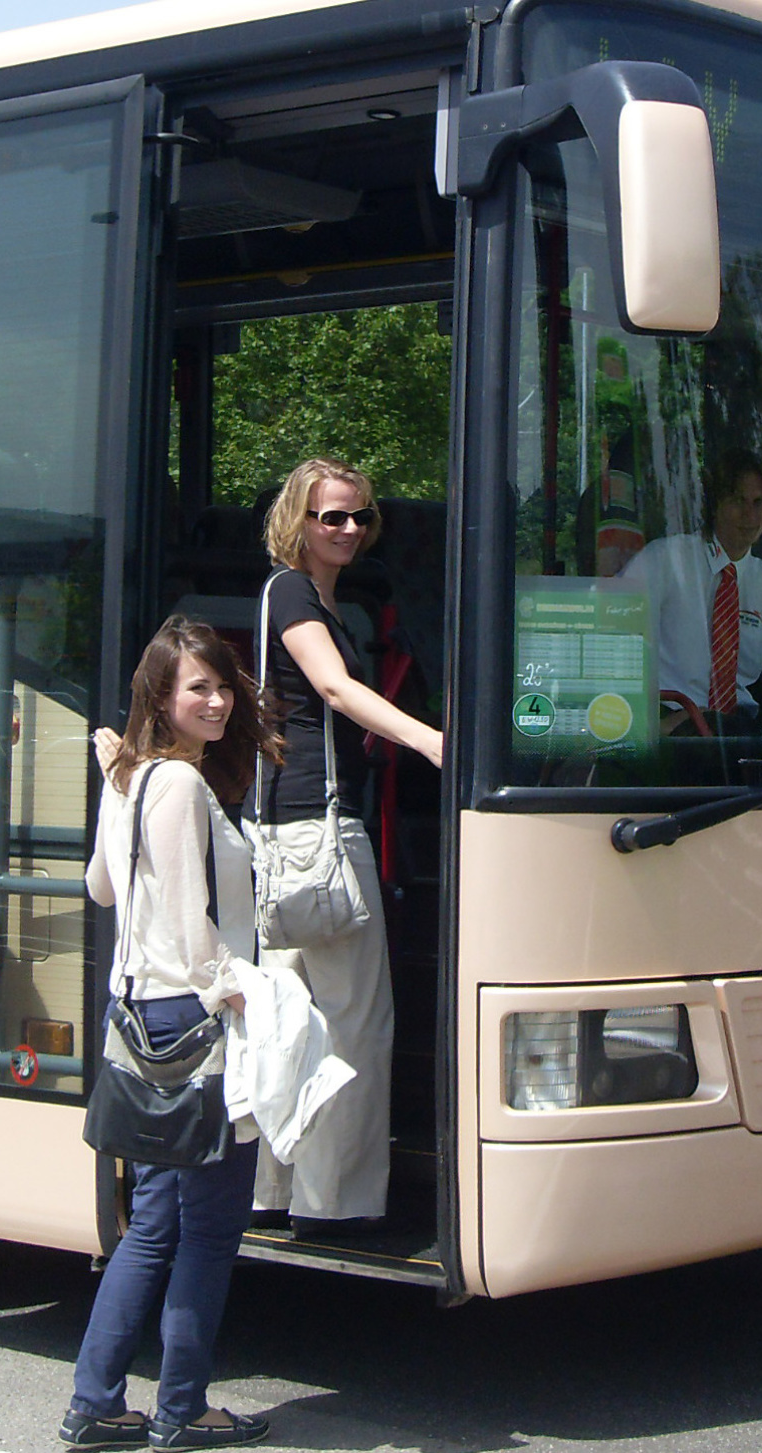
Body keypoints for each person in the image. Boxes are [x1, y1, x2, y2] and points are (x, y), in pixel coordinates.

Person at [65, 618, 280, 1451]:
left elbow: (100, 890)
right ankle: (181, 1409)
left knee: (153, 1219)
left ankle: (96, 1401)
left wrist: (111, 786)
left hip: (142, 1016)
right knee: (210, 1223)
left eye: (224, 685)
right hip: (196, 1019)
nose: (220, 700)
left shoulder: (132, 778)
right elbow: (194, 925)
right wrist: (243, 997)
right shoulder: (182, 787)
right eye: (199, 686)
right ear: (161, 693)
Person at [251, 457, 443, 1234]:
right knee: (354, 1019)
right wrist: (431, 740)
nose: (349, 529)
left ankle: (272, 1190)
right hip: (319, 832)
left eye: (360, 516)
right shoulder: (292, 589)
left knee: (287, 1022)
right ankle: (336, 1204)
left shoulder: (317, 597)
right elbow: (332, 688)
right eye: (332, 516)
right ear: (297, 520)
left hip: (287, 829)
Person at [615, 448, 762, 730]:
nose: (749, 514)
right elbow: (614, 635)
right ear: (714, 504)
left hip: (736, 730)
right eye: (738, 500)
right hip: (666, 721)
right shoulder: (665, 560)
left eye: (759, 503)